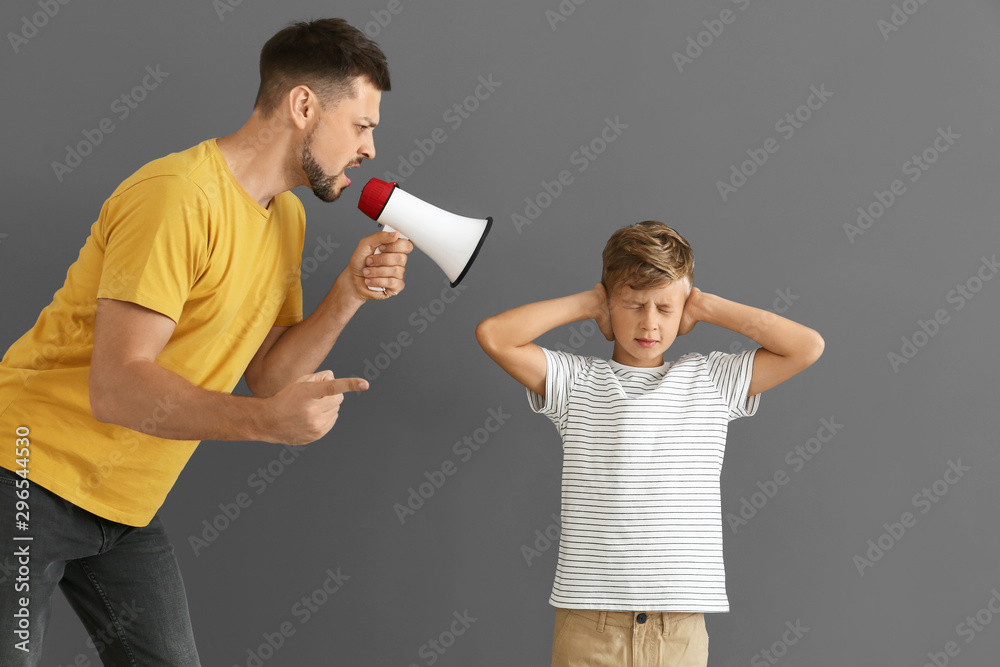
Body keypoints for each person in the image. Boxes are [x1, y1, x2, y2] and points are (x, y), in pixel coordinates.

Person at [0, 18, 412, 666]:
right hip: (26, 473)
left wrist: (349, 294)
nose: (368, 151)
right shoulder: (177, 197)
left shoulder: (287, 217)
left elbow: (269, 376)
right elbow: (117, 385)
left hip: (126, 502)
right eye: (362, 125)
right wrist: (266, 425)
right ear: (304, 105)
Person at [476, 220, 824, 667]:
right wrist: (590, 302)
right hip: (589, 624)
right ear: (609, 304)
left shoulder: (712, 380)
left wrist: (708, 306)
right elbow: (494, 335)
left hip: (677, 629)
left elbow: (806, 346)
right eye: (633, 304)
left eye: (665, 308)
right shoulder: (576, 381)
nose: (649, 322)